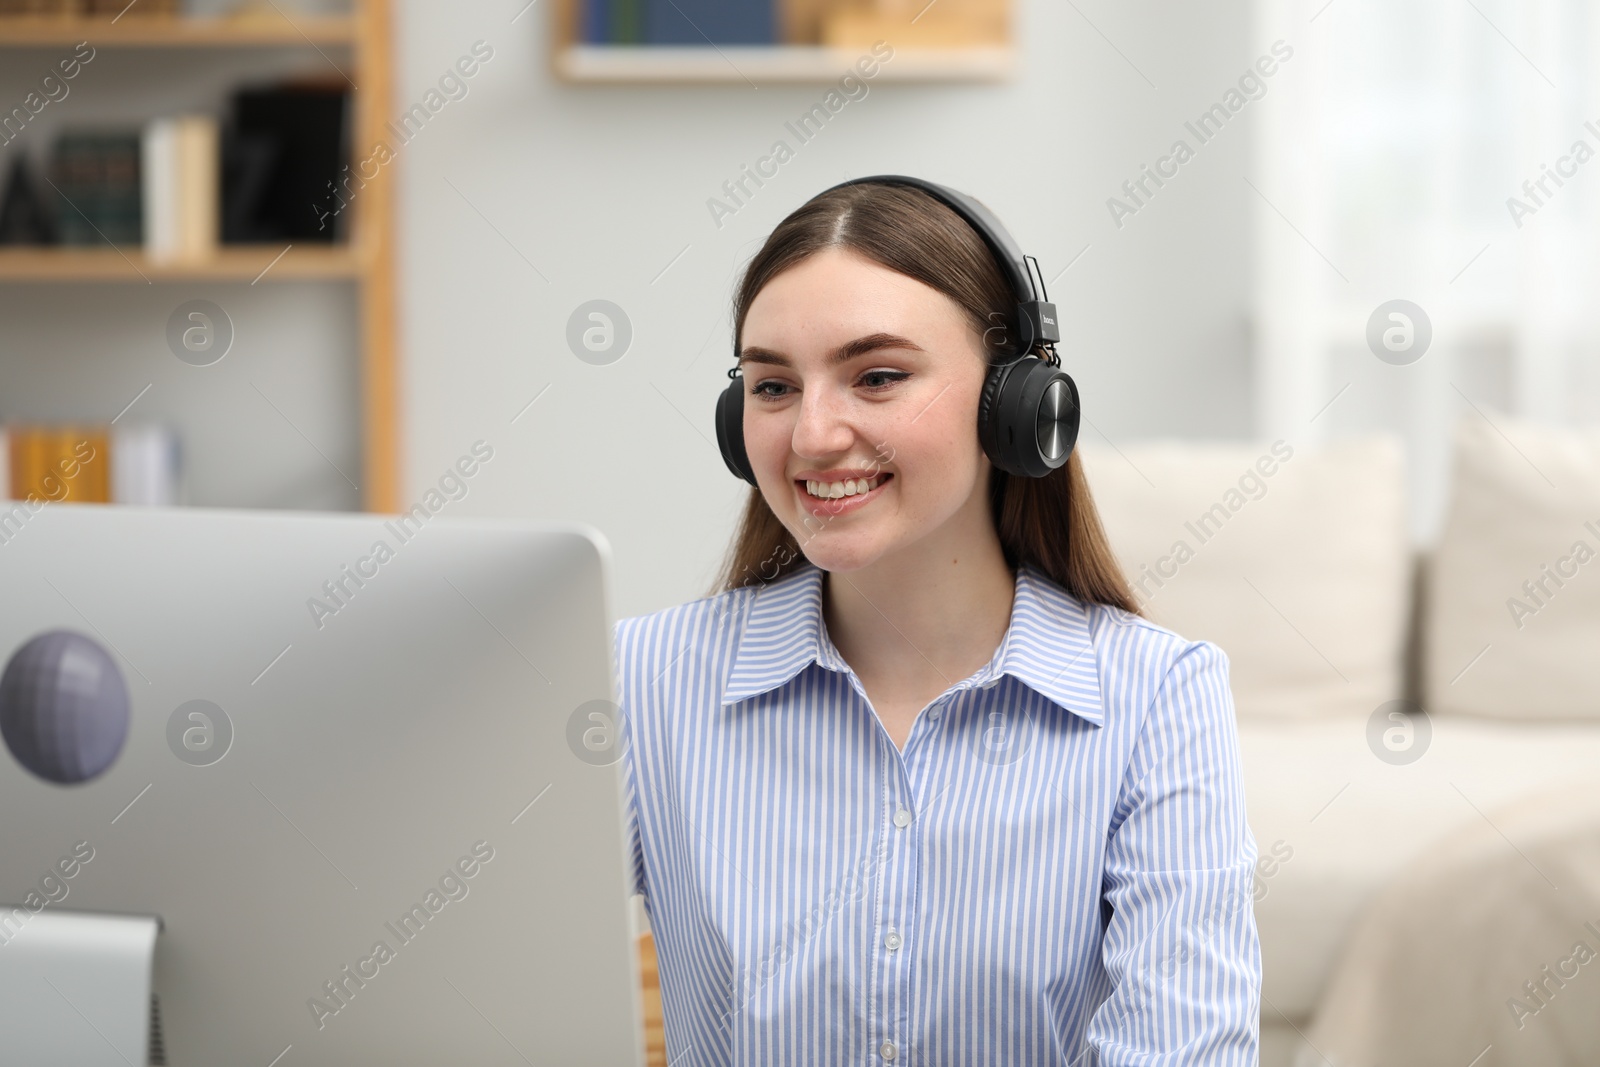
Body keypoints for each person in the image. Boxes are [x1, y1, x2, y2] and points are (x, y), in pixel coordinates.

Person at [613, 177, 1261, 1065]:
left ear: (1019, 405)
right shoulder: (641, 681)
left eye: (876, 377)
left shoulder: (1159, 696)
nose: (810, 435)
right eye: (772, 385)